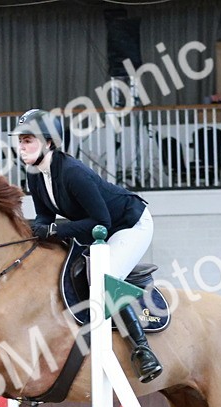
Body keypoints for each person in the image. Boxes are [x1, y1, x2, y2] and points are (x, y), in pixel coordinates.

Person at [12, 108, 162, 383]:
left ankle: (142, 350)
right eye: (20, 140)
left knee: (104, 278)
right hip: (97, 229)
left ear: (49, 142)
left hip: (128, 225)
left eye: (28, 140)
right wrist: (34, 229)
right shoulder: (34, 174)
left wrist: (53, 229)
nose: (21, 147)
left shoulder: (72, 172)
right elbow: (45, 214)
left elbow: (100, 219)